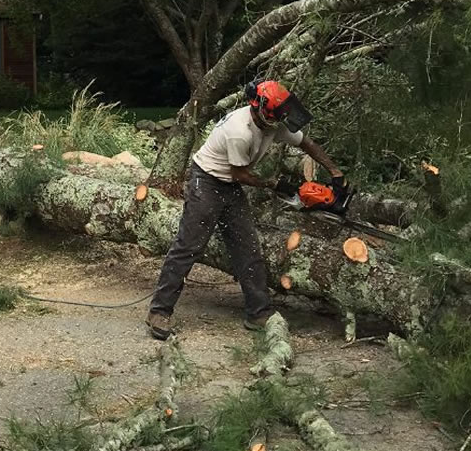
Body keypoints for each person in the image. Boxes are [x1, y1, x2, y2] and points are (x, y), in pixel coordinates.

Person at [145, 80, 346, 340]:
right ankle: (159, 310)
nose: (283, 118)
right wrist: (275, 184)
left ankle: (258, 312)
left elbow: (306, 143)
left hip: (229, 185)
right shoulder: (240, 131)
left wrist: (335, 171)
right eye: (279, 114)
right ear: (263, 109)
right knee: (189, 246)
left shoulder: (273, 122)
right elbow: (239, 173)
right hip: (206, 181)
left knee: (248, 246)